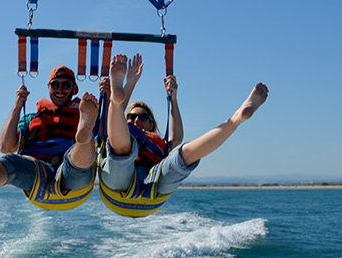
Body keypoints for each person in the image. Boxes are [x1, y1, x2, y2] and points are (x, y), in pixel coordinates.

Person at [98, 53, 268, 214]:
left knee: (183, 155)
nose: (136, 120)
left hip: (153, 185)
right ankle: (233, 122)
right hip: (120, 180)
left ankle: (236, 118)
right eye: (131, 117)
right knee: (121, 149)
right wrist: (130, 83)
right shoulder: (117, 130)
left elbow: (176, 137)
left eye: (142, 117)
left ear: (151, 123)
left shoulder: (159, 142)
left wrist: (173, 97)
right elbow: (112, 125)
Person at [0, 65, 99, 209]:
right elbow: (5, 146)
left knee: (77, 159)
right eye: (55, 84)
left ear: (74, 88)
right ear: (48, 87)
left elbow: (112, 136)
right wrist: (17, 107)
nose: (60, 89)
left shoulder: (88, 110)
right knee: (12, 163)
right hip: (38, 172)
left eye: (66, 85)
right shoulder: (32, 119)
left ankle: (84, 135)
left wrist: (111, 97)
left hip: (73, 177)